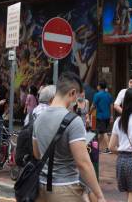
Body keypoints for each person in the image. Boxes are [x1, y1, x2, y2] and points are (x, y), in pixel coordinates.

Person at [33, 72, 106, 202]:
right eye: (77, 98)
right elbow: (83, 163)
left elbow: (37, 154)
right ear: (72, 93)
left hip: (41, 188)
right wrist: (99, 195)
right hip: (66, 188)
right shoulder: (74, 120)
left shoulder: (38, 118)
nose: (76, 102)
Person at [92, 81, 114, 154]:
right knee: (101, 133)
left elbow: (93, 106)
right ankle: (95, 148)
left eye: (97, 85)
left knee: (104, 132)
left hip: (100, 116)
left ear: (99, 86)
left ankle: (109, 148)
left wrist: (89, 113)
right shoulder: (109, 95)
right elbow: (111, 106)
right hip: (107, 116)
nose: (97, 87)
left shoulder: (97, 95)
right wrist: (111, 116)